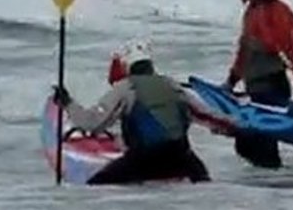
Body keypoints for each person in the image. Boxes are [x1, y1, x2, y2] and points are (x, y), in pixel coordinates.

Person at [53, 39, 232, 185]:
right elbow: (209, 116)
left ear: (127, 66)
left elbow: (92, 124)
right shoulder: (172, 85)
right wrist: (237, 129)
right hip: (180, 158)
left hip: (144, 162)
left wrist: (67, 102)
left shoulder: (126, 88)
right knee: (205, 183)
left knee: (94, 186)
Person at [225, 0, 293, 169]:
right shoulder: (251, 12)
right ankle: (270, 187)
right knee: (247, 145)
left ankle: (275, 188)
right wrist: (230, 81)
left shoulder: (278, 11)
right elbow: (243, 54)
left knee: (259, 145)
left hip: (272, 87)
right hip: (254, 87)